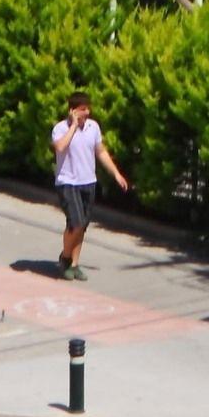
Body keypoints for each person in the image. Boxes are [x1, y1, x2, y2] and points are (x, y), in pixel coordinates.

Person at [50, 88, 128, 279]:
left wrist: (116, 173)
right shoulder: (61, 128)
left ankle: (74, 264)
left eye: (88, 109)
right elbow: (60, 147)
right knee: (75, 222)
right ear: (73, 110)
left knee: (82, 226)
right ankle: (65, 257)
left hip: (88, 182)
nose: (87, 112)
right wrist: (73, 126)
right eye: (83, 109)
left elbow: (100, 151)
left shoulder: (93, 127)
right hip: (68, 182)